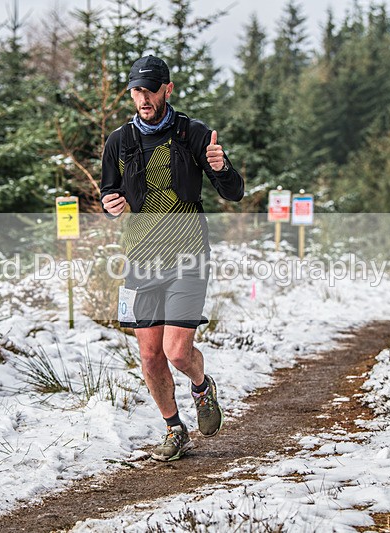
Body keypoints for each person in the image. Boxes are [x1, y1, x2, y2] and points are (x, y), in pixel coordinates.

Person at [100, 55, 244, 461]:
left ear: (168, 89)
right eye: (137, 91)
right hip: (140, 260)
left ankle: (201, 386)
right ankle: (174, 429)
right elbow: (108, 192)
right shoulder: (119, 141)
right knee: (150, 356)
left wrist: (222, 166)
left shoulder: (192, 134)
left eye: (150, 90)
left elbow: (233, 192)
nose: (143, 99)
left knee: (177, 352)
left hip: (188, 257)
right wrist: (109, 204)